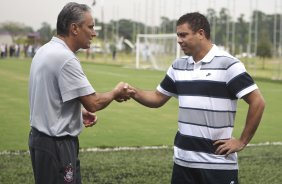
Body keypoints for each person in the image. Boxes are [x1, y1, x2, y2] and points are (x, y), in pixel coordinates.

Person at [128, 12, 265, 184]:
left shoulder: (228, 64)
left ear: (201, 33)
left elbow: (258, 101)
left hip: (217, 166)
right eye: (178, 35)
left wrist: (242, 141)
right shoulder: (178, 66)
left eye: (183, 35)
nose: (179, 40)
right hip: (183, 163)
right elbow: (157, 98)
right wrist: (133, 92)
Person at [28, 3, 133, 184]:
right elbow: (93, 103)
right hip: (57, 144)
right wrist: (116, 92)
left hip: (39, 140)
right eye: (90, 27)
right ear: (74, 28)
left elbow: (49, 100)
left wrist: (76, 114)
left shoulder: (45, 50)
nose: (94, 33)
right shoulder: (65, 58)